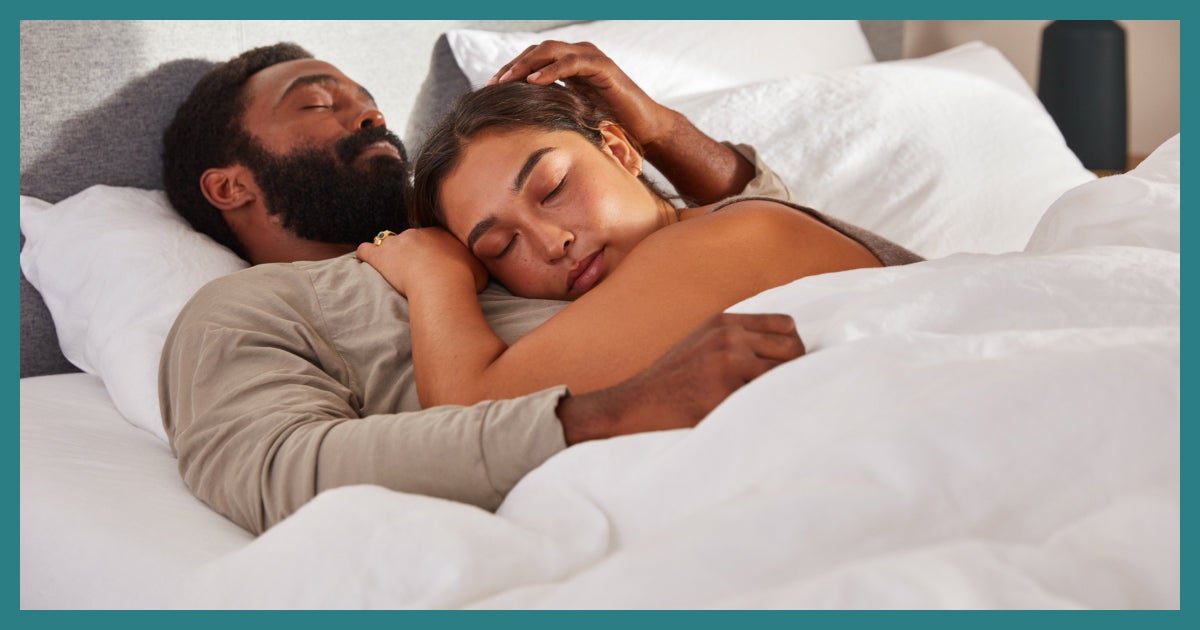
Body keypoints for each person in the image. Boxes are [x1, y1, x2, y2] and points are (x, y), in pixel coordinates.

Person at [158, 41, 805, 535]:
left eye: (368, 101)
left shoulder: (504, 229)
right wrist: (607, 415)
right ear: (228, 186)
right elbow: (274, 469)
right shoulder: (255, 307)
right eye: (318, 103)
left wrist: (658, 128)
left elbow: (773, 233)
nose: (370, 116)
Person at [356, 72, 924, 409]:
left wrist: (434, 276)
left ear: (622, 151)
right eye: (501, 248)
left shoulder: (727, 238)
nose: (551, 243)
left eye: (552, 188)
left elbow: (471, 410)